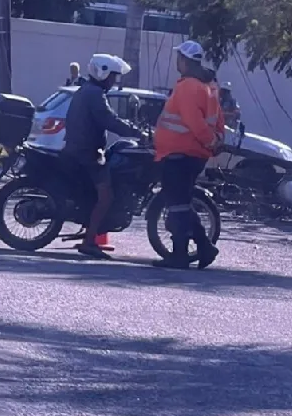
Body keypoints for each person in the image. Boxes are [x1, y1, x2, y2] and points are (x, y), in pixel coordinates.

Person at [62, 54, 144, 259]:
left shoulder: (87, 90)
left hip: (79, 148)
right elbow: (109, 120)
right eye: (113, 76)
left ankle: (90, 227)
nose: (114, 81)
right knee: (106, 195)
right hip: (86, 152)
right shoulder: (95, 94)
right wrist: (136, 132)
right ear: (103, 72)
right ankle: (90, 241)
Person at [152, 40, 223, 269]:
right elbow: (218, 119)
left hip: (179, 153)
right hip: (191, 154)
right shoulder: (208, 86)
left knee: (177, 204)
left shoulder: (187, 87)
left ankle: (181, 254)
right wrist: (216, 141)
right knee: (181, 202)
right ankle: (203, 247)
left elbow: (195, 122)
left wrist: (210, 141)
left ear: (183, 61)